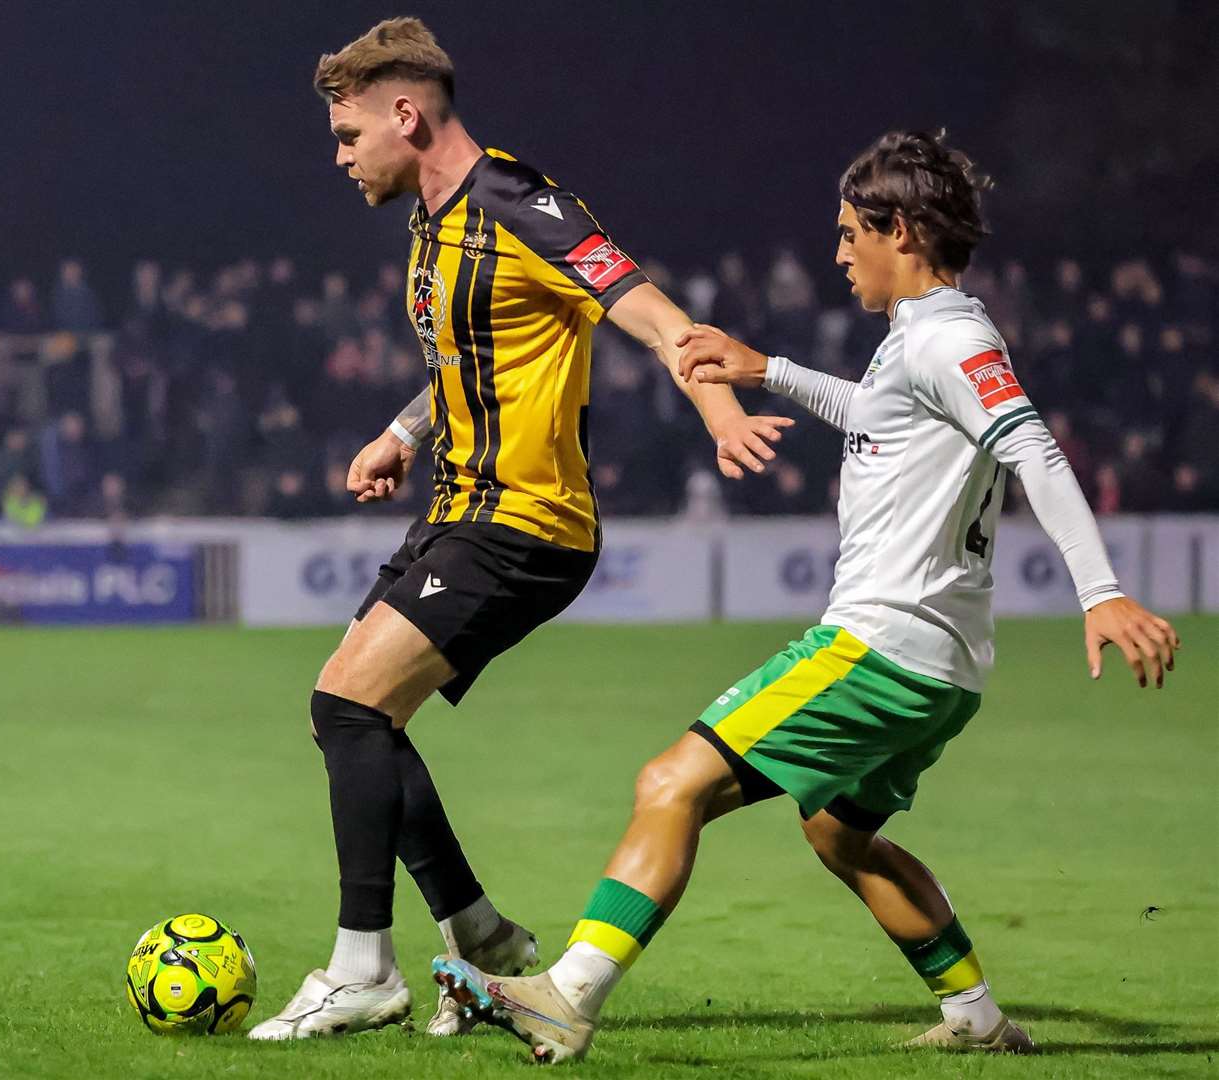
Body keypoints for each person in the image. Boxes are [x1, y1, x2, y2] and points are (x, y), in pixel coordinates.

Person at [432, 130, 1183, 1063]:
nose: (836, 254)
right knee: (840, 831)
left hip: (881, 645)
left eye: (846, 233)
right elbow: (878, 415)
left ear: (898, 230)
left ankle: (568, 993)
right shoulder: (922, 340)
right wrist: (770, 371)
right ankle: (976, 1018)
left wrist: (1101, 592)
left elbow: (1030, 444)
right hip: (941, 664)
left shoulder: (949, 339)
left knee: (671, 783)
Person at [248, 16, 791, 1041]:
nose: (339, 156)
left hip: (529, 522)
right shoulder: (432, 222)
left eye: (348, 133)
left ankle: (366, 965)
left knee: (350, 706)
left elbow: (642, 306)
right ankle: (481, 934)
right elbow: (471, 354)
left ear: (406, 115)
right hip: (459, 506)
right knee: (348, 717)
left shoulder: (519, 204)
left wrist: (717, 404)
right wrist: (402, 428)